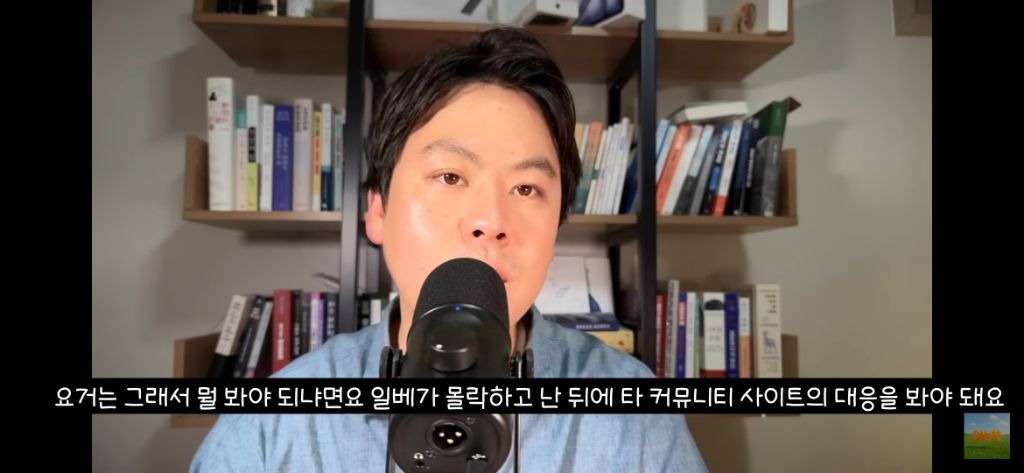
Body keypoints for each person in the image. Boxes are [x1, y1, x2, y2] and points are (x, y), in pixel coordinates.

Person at [190, 27, 708, 473]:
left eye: (526, 188)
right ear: (378, 210)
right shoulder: (269, 423)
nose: (491, 221)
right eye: (451, 176)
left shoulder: (636, 415)